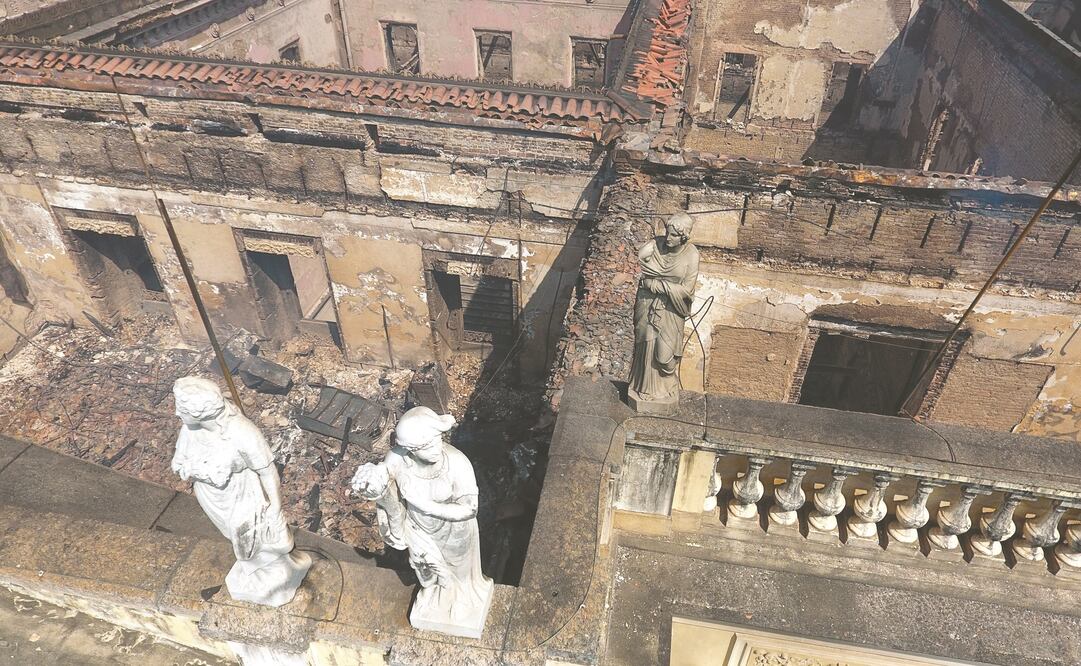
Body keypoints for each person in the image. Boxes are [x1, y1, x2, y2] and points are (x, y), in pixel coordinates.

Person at [352, 406, 493, 638]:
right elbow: (383, 481)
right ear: (410, 450)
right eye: (427, 446)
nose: (436, 448)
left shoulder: (457, 462)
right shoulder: (398, 458)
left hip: (455, 531)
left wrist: (425, 505)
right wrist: (373, 484)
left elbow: (470, 508)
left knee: (460, 573)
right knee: (423, 566)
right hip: (418, 528)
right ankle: (435, 593)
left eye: (437, 440)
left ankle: (461, 602)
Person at [171, 376, 310, 607]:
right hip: (211, 497)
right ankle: (260, 574)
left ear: (199, 412)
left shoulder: (242, 432)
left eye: (181, 408)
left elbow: (267, 471)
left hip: (243, 494)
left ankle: (277, 574)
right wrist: (192, 469)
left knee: (252, 536)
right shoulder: (190, 430)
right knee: (235, 538)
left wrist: (275, 506)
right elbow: (177, 462)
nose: (177, 413)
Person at [628, 212, 700, 410]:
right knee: (646, 346)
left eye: (674, 235)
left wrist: (657, 285)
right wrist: (649, 252)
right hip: (647, 304)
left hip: (671, 310)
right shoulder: (657, 244)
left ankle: (667, 383)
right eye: (667, 233)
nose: (668, 238)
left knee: (664, 356)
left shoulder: (692, 255)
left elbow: (687, 290)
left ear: (684, 236)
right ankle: (644, 388)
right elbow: (639, 259)